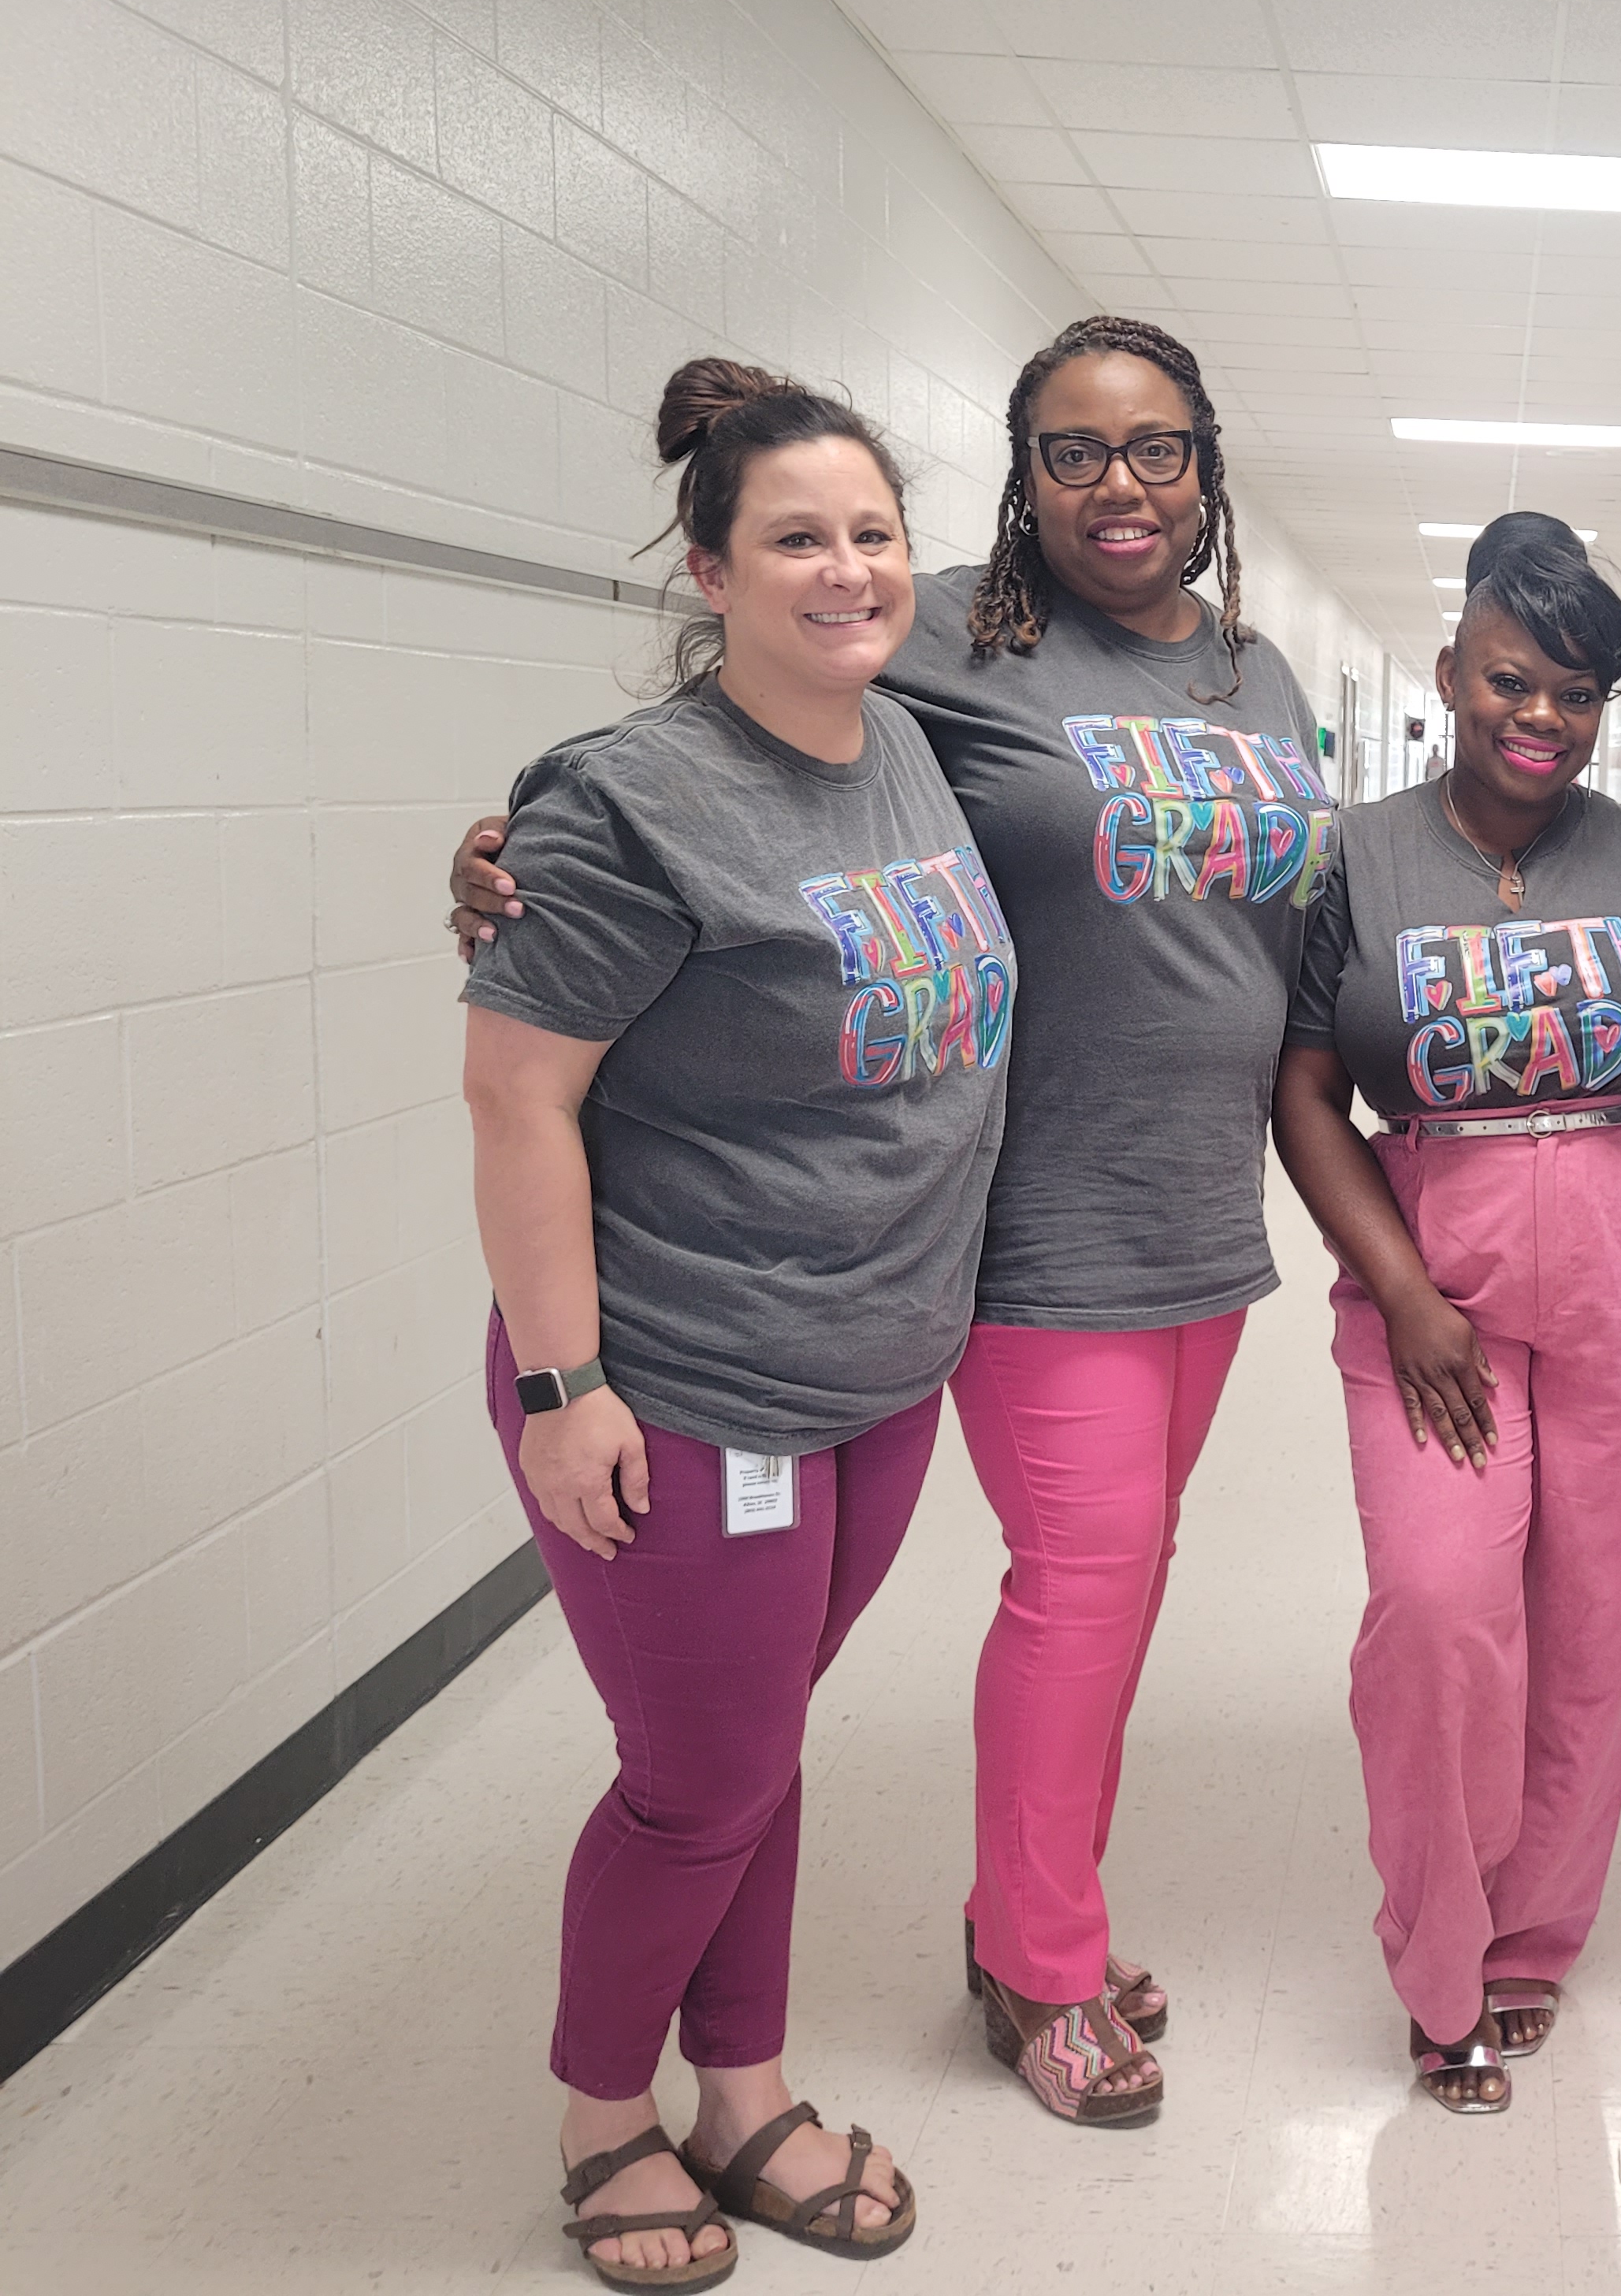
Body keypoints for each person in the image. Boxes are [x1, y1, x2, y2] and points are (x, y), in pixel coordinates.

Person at [459, 316, 1331, 2126]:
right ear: (1020, 477)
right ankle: (1033, 1957)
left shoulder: (1257, 678)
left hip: (1178, 1217)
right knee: (1081, 1595)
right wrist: (502, 864)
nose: (1120, 484)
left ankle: (1028, 1914)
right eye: (1072, 451)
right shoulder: (941, 632)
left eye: (1157, 446)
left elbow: (1284, 932)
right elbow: (701, 767)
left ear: (1210, 462)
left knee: (1121, 1588)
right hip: (1012, 1225)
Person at [464, 359, 993, 2286]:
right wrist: (563, 1388)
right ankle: (608, 2126)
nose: (845, 571)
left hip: (876, 1372)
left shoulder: (901, 737)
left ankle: (744, 2096)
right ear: (710, 569)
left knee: (756, 1752)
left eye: (872, 534)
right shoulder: (630, 803)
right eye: (796, 539)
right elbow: (516, 1100)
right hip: (681, 1383)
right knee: (701, 1781)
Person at [1269, 515, 1621, 2116]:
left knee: (1593, 1627)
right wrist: (1402, 1293)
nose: (1542, 718)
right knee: (1445, 1611)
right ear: (1451, 673)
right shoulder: (1354, 856)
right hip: (1431, 1273)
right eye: (1513, 680)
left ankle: (1531, 1942)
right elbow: (1305, 1089)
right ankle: (1436, 1957)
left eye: (1579, 694)